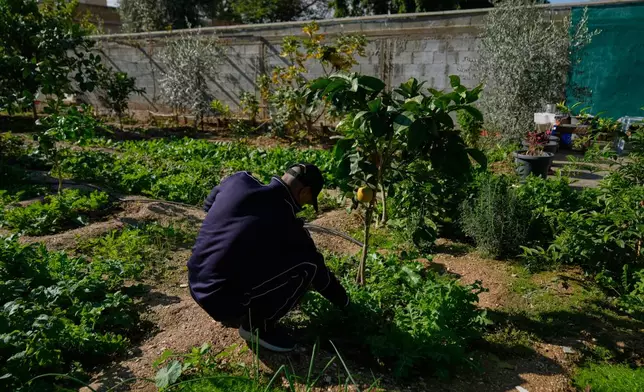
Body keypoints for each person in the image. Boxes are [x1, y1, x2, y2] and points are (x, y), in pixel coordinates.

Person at [187, 164, 349, 353]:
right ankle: (257, 327)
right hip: (221, 300)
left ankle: (233, 306)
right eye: (308, 201)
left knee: (252, 253)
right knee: (308, 265)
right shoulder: (288, 222)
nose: (303, 207)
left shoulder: (238, 180)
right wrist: (344, 302)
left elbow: (208, 205)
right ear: (305, 191)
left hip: (196, 281)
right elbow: (320, 273)